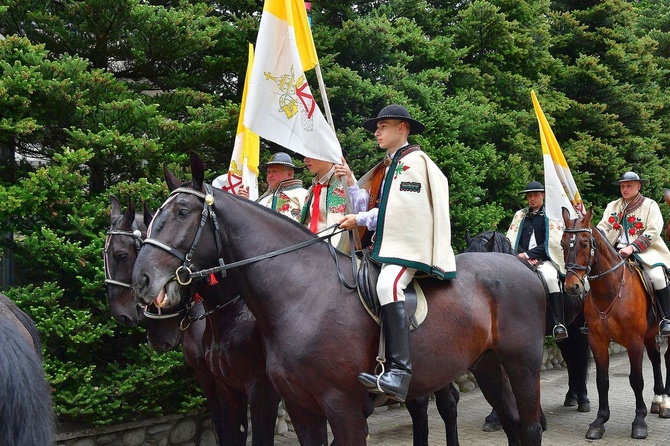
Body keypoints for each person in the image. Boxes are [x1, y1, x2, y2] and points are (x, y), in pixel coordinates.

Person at [338, 104, 456, 403]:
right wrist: (352, 180)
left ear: (401, 128)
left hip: (405, 245)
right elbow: (371, 202)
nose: (376, 132)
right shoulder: (388, 164)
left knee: (387, 285)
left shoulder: (412, 163)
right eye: (377, 128)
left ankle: (399, 372)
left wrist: (360, 220)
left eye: (383, 126)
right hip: (383, 245)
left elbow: (399, 211)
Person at [596, 171, 670, 337]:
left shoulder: (650, 205)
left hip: (646, 251)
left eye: (629, 185)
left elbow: (653, 230)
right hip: (615, 252)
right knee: (592, 278)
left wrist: (633, 247)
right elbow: (603, 227)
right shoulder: (612, 206)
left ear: (639, 186)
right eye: (622, 186)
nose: (625, 189)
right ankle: (592, 319)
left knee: (657, 277)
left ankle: (667, 318)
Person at [506, 181, 568, 340]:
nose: (532, 199)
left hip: (544, 259)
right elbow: (512, 240)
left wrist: (530, 256)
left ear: (543, 195)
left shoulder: (551, 216)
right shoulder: (520, 215)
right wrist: (521, 255)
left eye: (535, 195)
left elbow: (551, 243)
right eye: (529, 196)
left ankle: (558, 324)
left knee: (550, 279)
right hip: (519, 259)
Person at [239, 152, 308, 222]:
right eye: (268, 172)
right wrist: (245, 202)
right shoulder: (263, 198)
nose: (270, 175)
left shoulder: (303, 195)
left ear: (289, 173)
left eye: (274, 171)